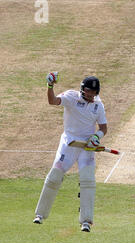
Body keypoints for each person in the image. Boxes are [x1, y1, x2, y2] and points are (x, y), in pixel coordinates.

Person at [33, 72, 108, 232]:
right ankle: (40, 214)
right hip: (69, 142)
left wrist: (97, 136)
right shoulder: (71, 97)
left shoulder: (98, 105)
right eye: (88, 91)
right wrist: (50, 86)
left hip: (86, 146)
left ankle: (86, 221)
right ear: (82, 89)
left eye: (93, 92)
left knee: (88, 181)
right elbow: (52, 101)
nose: (90, 94)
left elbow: (103, 128)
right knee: (55, 176)